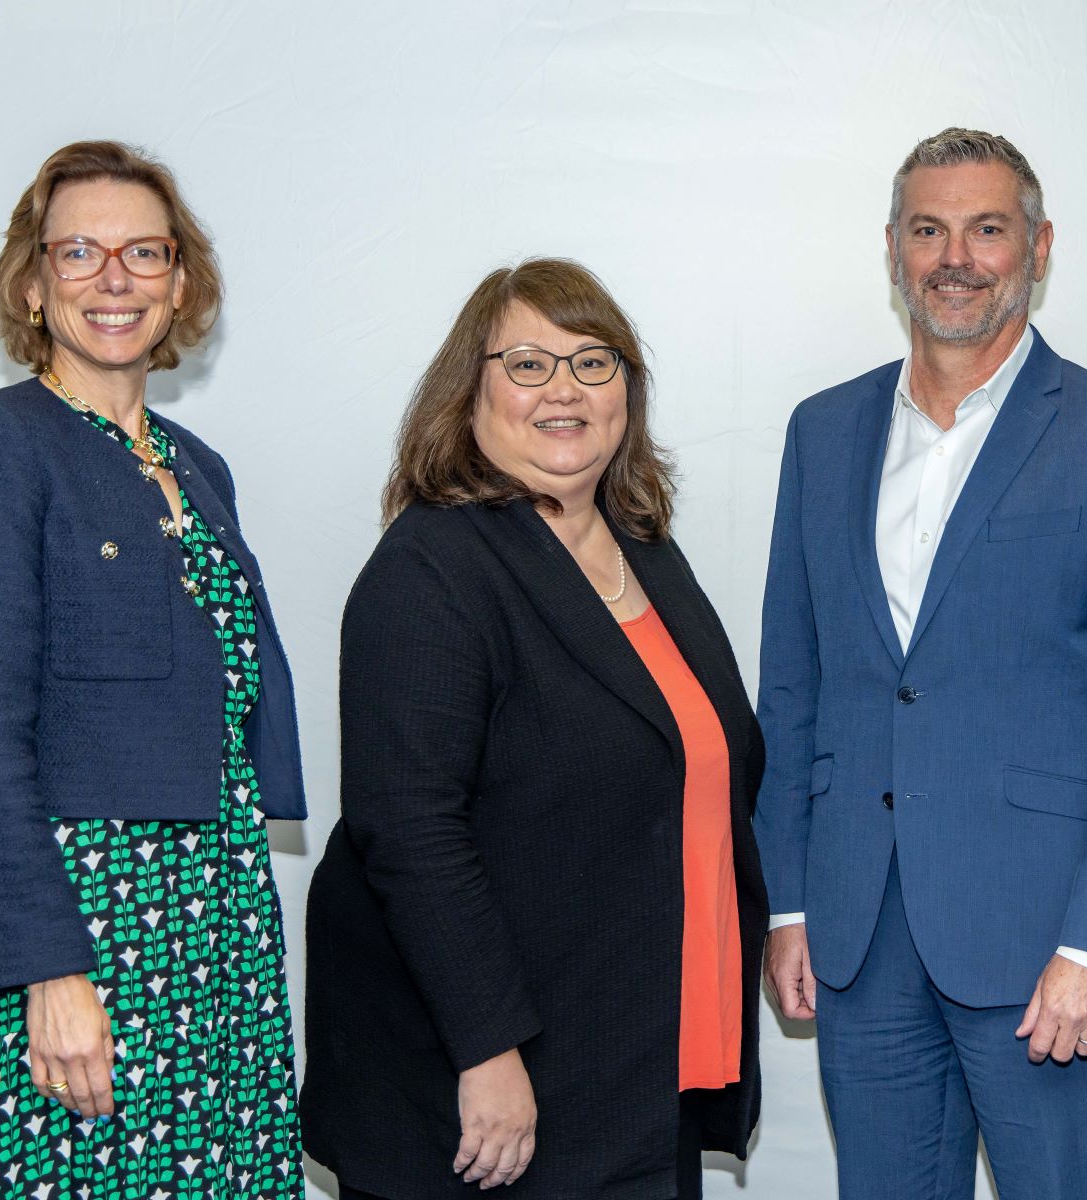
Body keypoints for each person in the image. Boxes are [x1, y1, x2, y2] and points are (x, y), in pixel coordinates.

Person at [754, 126, 1087, 1199]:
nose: (954, 256)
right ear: (892, 249)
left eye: (985, 229)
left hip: (1043, 942)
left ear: (1037, 247)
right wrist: (787, 904)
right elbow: (793, 686)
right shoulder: (821, 433)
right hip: (858, 936)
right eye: (928, 229)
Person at [300, 258, 767, 1199]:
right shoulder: (431, 568)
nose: (565, 389)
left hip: (634, 1063)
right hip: (497, 1085)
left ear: (627, 391)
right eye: (526, 363)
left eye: (594, 363)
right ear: (467, 392)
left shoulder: (644, 553)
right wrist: (488, 1050)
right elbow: (409, 831)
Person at [0, 141, 308, 1198]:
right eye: (79, 251)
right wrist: (50, 969)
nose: (114, 279)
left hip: (214, 918)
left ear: (181, 284)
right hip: (87, 919)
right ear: (33, 284)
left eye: (145, 253)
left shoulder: (197, 469)